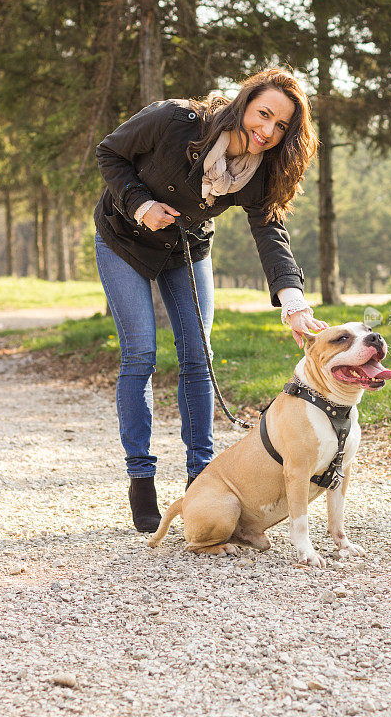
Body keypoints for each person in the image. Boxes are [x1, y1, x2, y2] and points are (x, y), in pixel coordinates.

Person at [94, 67, 328, 532]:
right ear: (244, 103)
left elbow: (271, 233)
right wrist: (141, 204)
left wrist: (293, 300)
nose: (267, 132)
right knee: (140, 354)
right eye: (263, 114)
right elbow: (110, 153)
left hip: (186, 248)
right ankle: (141, 478)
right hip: (124, 239)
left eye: (281, 126)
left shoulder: (260, 172)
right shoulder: (175, 120)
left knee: (199, 357)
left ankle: (200, 477)